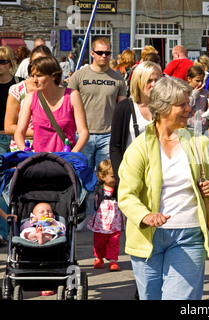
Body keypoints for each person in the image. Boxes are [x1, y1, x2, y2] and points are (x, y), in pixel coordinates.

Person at [118, 76, 209, 300]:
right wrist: (146, 215)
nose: (190, 108)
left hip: (189, 235)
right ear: (163, 108)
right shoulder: (139, 147)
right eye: (183, 104)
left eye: (190, 103)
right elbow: (126, 195)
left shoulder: (201, 144)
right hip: (147, 237)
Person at [68, 37, 127, 227]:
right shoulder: (79, 76)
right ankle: (81, 215)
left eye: (107, 53)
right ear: (92, 53)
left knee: (107, 180)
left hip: (108, 134)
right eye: (100, 52)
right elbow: (68, 107)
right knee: (80, 178)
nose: (103, 56)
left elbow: (121, 109)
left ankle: (102, 217)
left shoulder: (118, 78)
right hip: (82, 135)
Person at [14, 56, 89, 153]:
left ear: (53, 76)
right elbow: (19, 132)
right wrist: (26, 153)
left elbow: (84, 132)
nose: (34, 80)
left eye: (39, 75)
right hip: (39, 160)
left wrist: (72, 154)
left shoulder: (71, 95)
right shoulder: (30, 98)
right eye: (33, 76)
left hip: (65, 161)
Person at [110, 61, 162, 183]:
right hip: (132, 173)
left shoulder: (164, 107)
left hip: (159, 172)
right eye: (149, 81)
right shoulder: (124, 108)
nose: (154, 85)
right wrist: (120, 179)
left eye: (157, 80)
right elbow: (115, 148)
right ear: (139, 82)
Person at [5, 45, 53, 151]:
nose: (39, 65)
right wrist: (40, 131)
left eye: (43, 61)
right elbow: (8, 127)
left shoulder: (58, 90)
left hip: (51, 145)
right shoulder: (18, 89)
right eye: (35, 61)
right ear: (30, 63)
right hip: (23, 145)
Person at [88, 159, 124, 271]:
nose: (115, 179)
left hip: (115, 221)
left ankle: (113, 260)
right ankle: (98, 258)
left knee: (114, 242)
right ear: (103, 177)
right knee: (99, 241)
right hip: (101, 222)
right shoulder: (99, 188)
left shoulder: (119, 188)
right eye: (113, 176)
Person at [0, 45, 21, 154]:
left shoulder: (20, 84)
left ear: (11, 63)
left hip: (18, 136)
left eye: (3, 62)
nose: (0, 65)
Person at [185, 65, 209, 134]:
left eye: (202, 80)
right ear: (189, 79)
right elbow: (186, 108)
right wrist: (195, 94)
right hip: (189, 129)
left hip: (204, 129)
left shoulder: (205, 93)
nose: (200, 83)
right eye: (197, 81)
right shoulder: (185, 92)